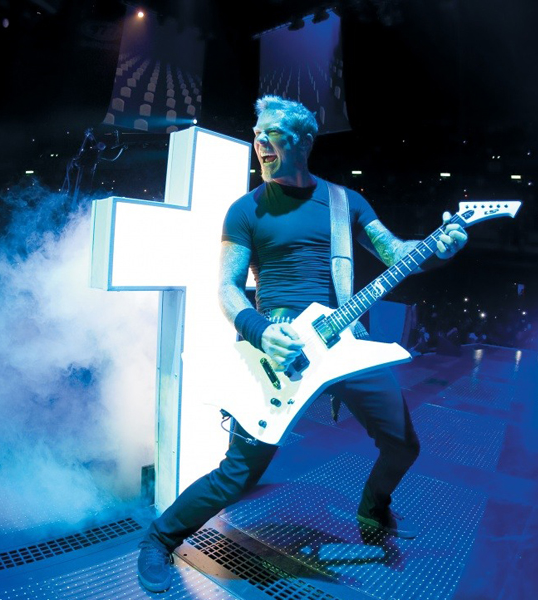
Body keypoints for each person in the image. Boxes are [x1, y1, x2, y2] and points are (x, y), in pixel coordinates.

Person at [137, 95, 468, 593]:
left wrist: (438, 248)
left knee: (403, 445)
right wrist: (259, 330)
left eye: (272, 134)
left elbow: (397, 253)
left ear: (304, 141)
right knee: (238, 475)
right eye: (256, 133)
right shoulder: (245, 209)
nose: (260, 142)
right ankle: (159, 539)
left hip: (347, 345)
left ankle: (373, 508)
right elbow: (227, 288)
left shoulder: (345, 202)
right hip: (280, 352)